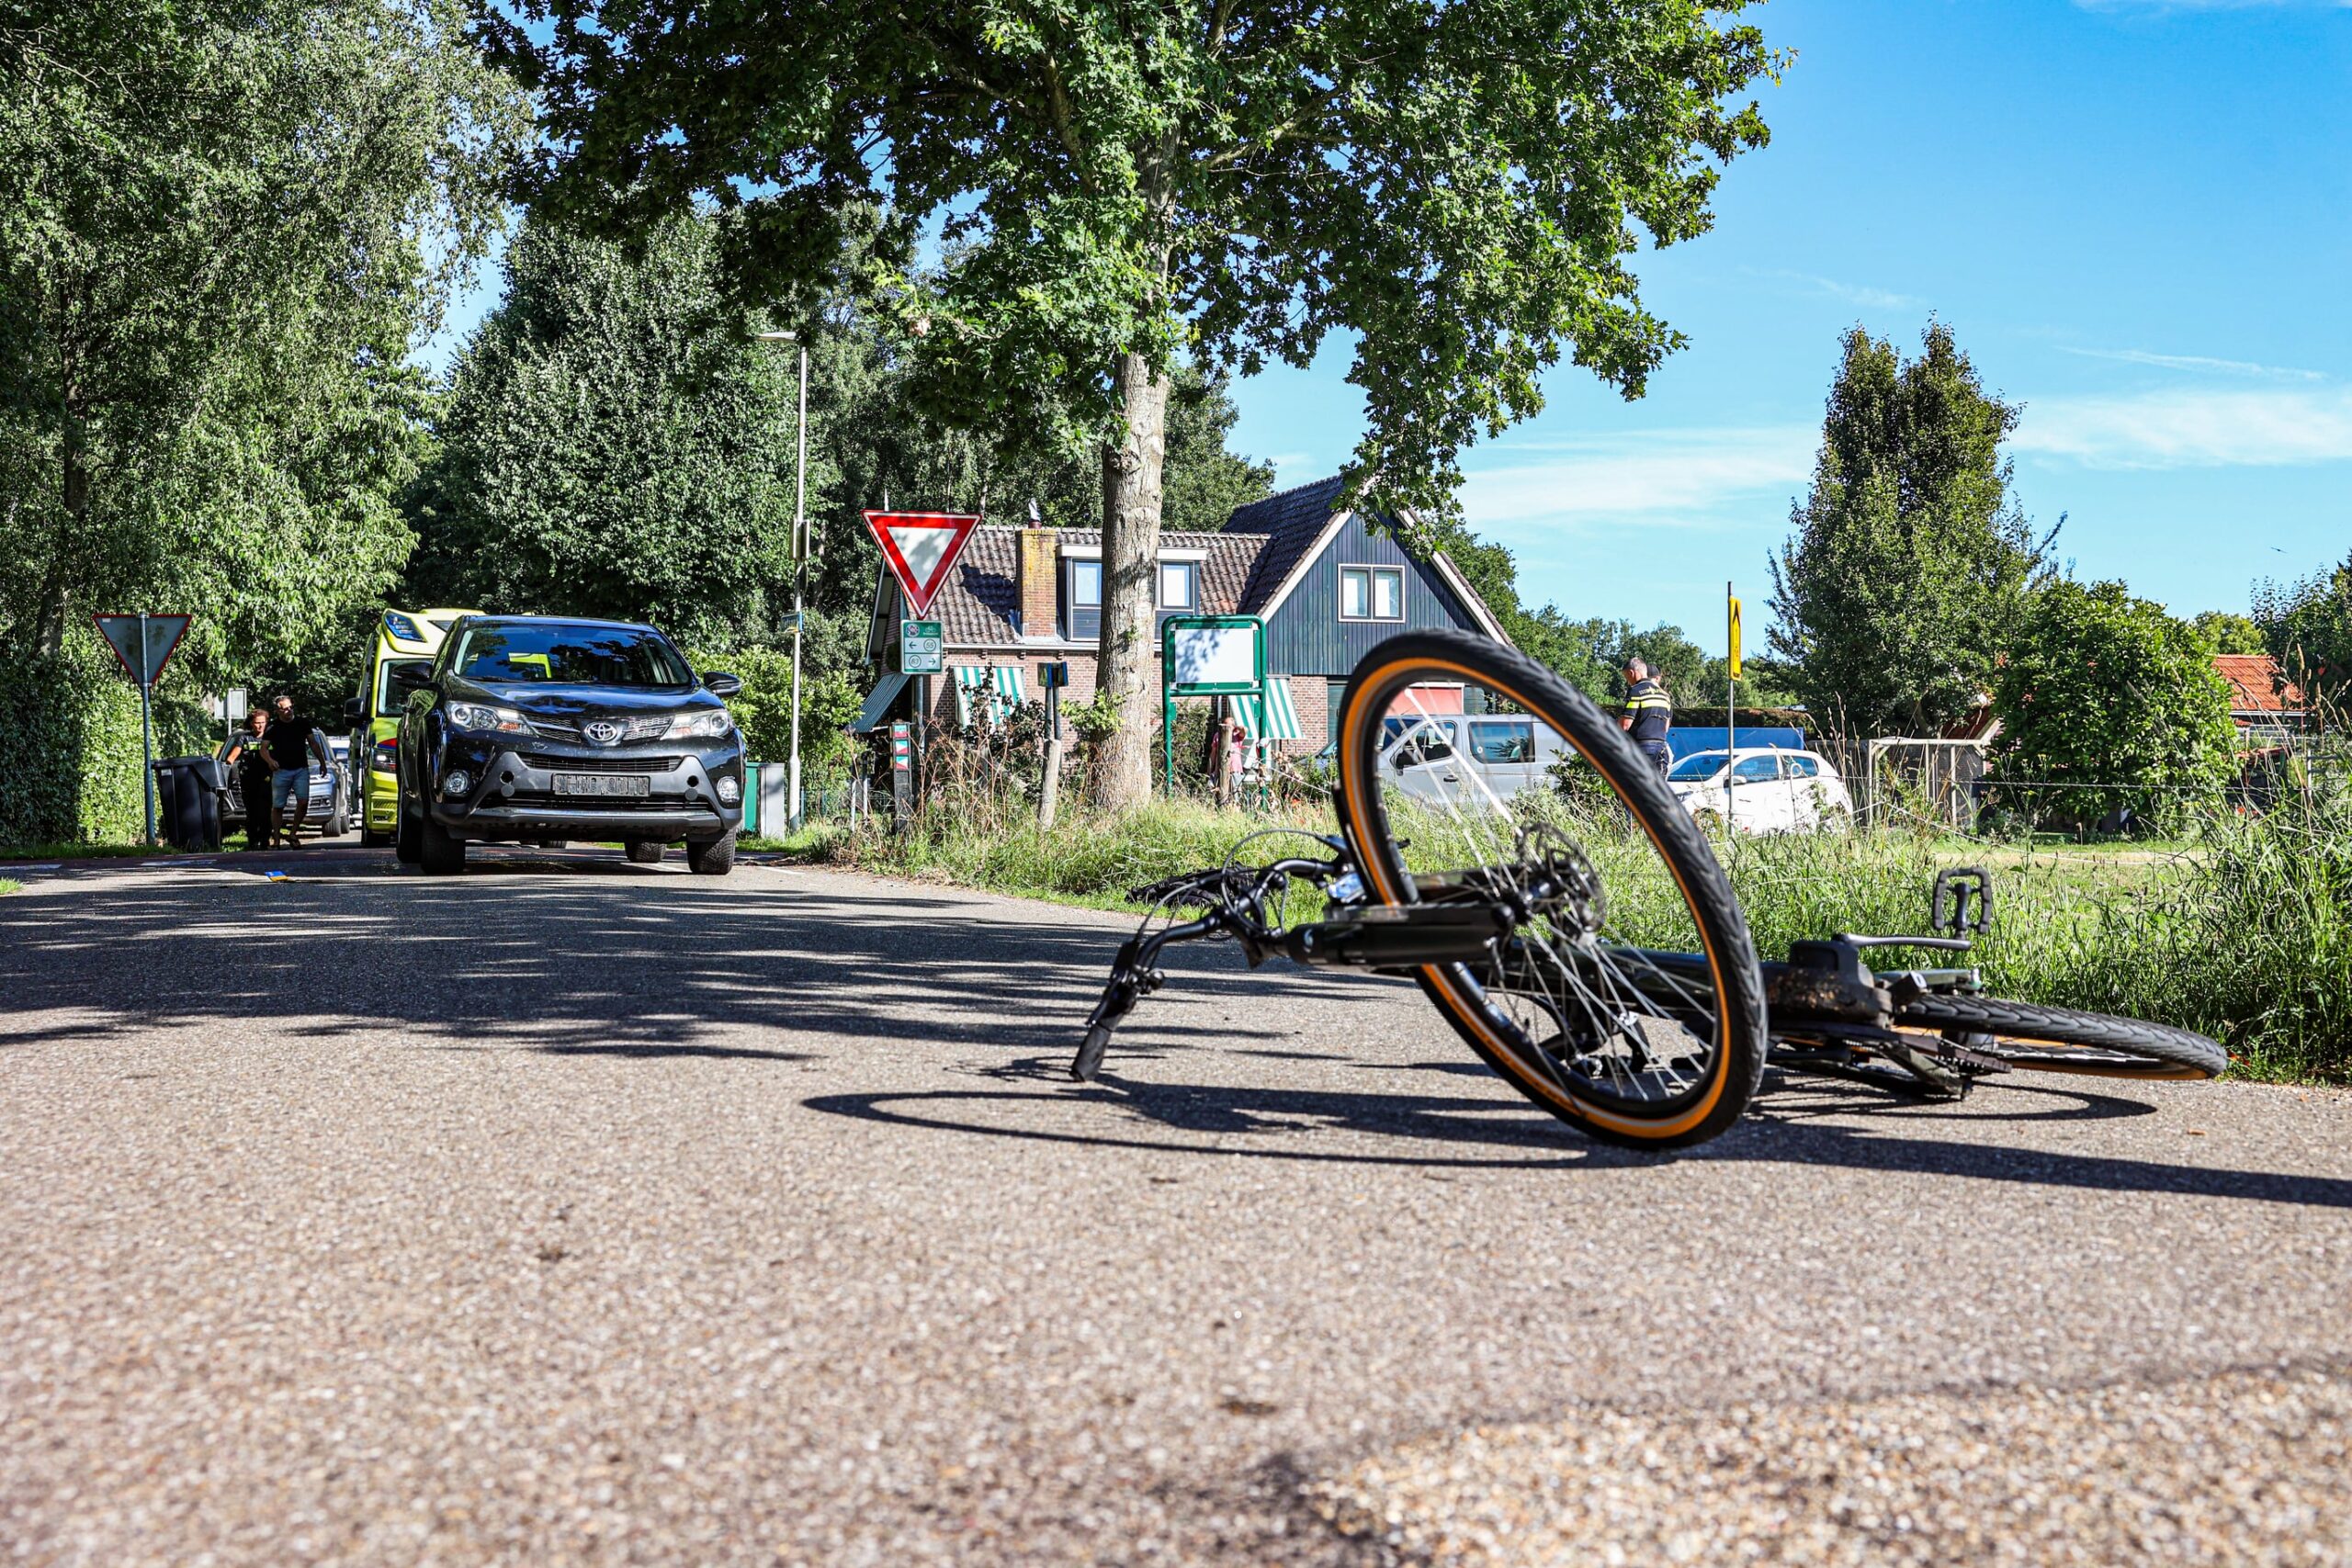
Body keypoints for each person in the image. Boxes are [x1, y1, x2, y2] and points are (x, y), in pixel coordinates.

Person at [264, 694, 333, 847]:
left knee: (303, 801)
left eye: (290, 708)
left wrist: (322, 763)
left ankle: (293, 834)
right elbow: (264, 748)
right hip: (281, 770)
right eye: (285, 709)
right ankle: (276, 839)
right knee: (278, 806)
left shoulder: (302, 723)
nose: (289, 711)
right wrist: (270, 761)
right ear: (278, 711)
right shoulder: (273, 727)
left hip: (301, 768)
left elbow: (313, 744)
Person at [222, 710, 279, 852]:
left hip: (267, 779)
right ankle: (252, 841)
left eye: (262, 723)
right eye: (257, 723)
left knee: (265, 811)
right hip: (249, 779)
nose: (260, 726)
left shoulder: (271, 737)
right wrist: (227, 765)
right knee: (252, 812)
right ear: (251, 724)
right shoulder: (244, 738)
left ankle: (265, 840)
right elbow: (233, 756)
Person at [1618, 658, 1673, 776]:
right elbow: (1666, 727)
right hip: (1661, 749)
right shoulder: (1665, 695)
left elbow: (1625, 724)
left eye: (1626, 677)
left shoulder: (1636, 691)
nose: (1627, 681)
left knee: (1633, 789)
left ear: (1631, 673)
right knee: (1655, 790)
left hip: (1641, 748)